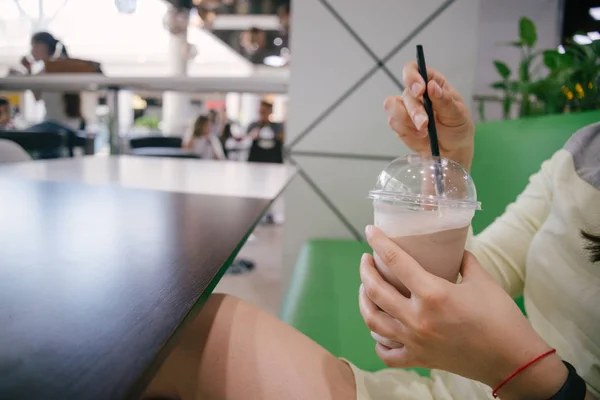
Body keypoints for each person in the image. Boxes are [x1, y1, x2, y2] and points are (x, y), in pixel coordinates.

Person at [142, 62, 599, 400]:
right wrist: (444, 168)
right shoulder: (587, 150)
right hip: (448, 391)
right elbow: (484, 272)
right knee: (178, 337)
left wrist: (521, 371)